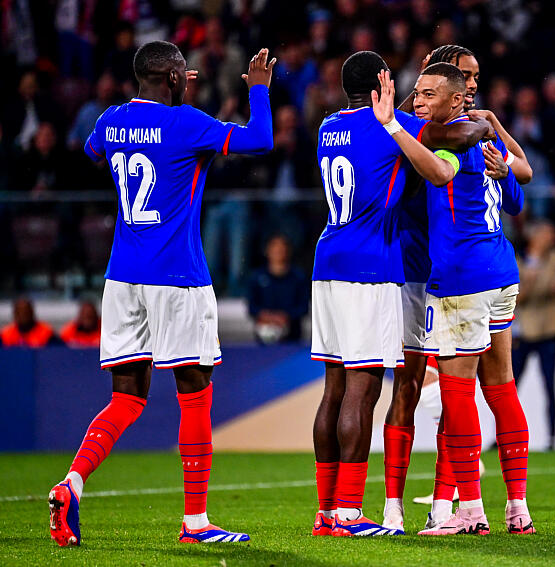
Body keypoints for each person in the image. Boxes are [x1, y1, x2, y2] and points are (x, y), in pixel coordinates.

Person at [48, 41, 275, 547]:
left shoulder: (109, 121)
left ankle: (72, 483)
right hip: (177, 276)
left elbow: (91, 150)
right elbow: (260, 140)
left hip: (123, 276)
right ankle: (196, 521)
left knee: (127, 397)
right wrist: (258, 90)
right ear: (173, 78)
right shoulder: (188, 123)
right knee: (194, 395)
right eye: (182, 75)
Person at [310, 51, 488, 538]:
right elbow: (457, 139)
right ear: (383, 84)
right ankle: (349, 511)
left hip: (327, 260)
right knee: (363, 389)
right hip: (371, 266)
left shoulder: (328, 127)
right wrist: (479, 122)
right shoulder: (391, 126)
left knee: (333, 388)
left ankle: (325, 511)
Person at [386, 44, 532, 527]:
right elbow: (519, 190)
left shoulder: (451, 139)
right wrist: (500, 144)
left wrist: (391, 123)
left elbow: (439, 168)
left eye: (430, 91)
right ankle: (518, 507)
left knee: (455, 393)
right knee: (501, 388)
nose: (471, 85)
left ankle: (466, 509)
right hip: (501, 271)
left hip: (459, 277)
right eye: (464, 77)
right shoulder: (489, 142)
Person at [513, 219, 555, 451]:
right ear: (536, 237)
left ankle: (553, 438)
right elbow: (516, 297)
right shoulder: (518, 261)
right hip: (523, 331)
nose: (553, 237)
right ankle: (504, 436)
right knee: (510, 388)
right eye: (549, 233)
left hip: (549, 329)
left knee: (549, 385)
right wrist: (535, 284)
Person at [247, 234, 309, 344]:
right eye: (275, 247)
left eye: (282, 248)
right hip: (262, 339)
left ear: (288, 251)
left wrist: (286, 316)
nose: (278, 251)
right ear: (268, 250)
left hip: (292, 339)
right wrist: (266, 316)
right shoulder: (257, 277)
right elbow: (251, 307)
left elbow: (304, 307)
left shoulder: (298, 277)